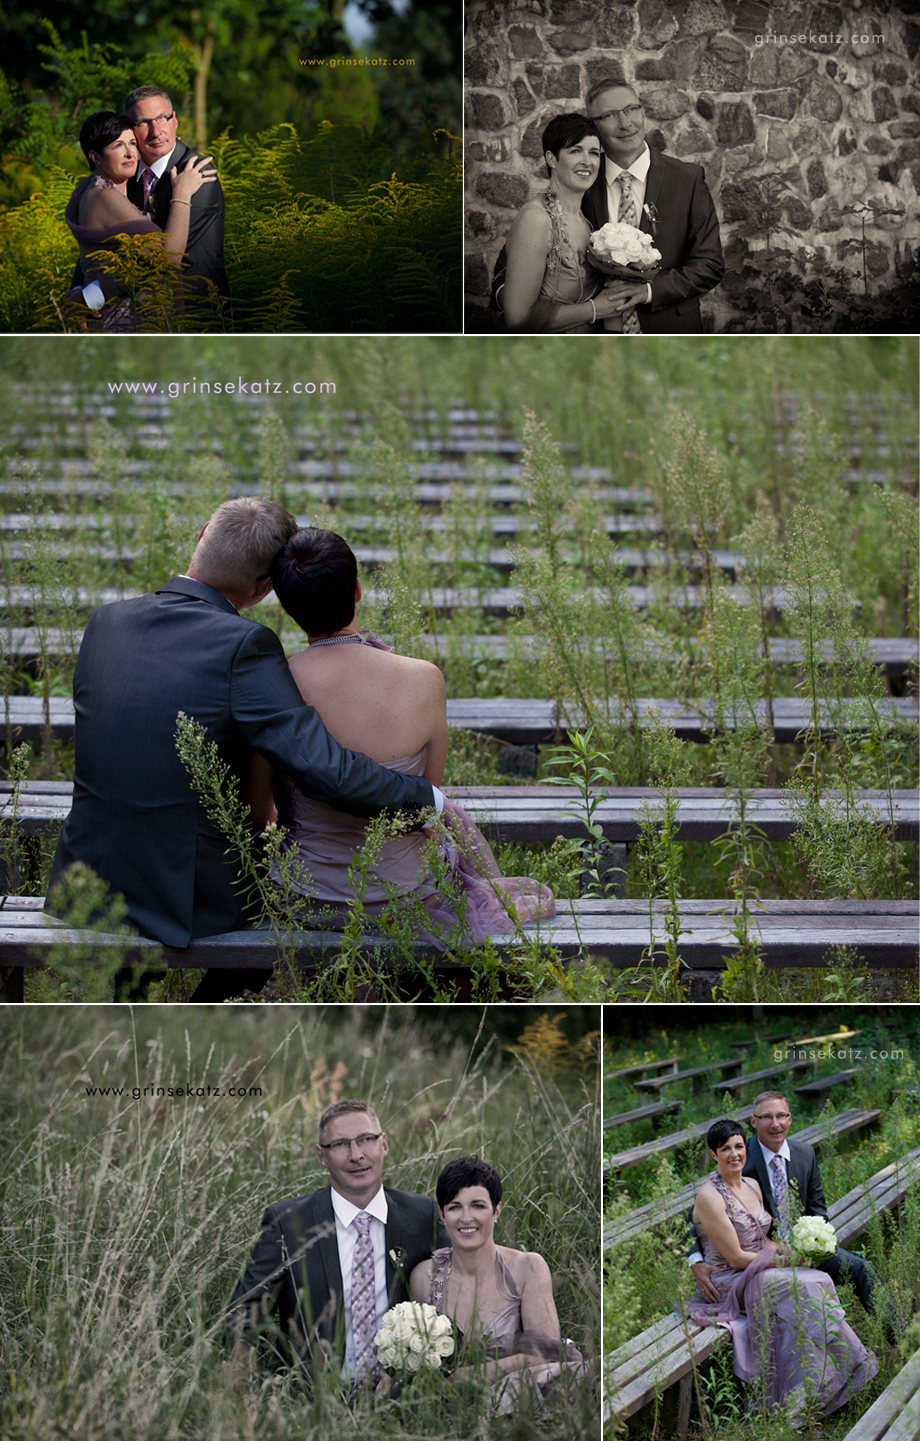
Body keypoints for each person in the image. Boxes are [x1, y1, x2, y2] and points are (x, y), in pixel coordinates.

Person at [47, 499, 446, 1003]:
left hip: (90, 870)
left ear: (200, 535)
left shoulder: (106, 622)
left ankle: (134, 1005)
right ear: (264, 589)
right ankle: (191, 1022)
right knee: (279, 903)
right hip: (180, 888)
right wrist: (429, 800)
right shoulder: (244, 645)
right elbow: (328, 771)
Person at [250, 527, 555, 943]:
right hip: (404, 895)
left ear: (286, 607)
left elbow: (258, 809)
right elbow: (423, 796)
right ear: (357, 591)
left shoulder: (276, 685)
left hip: (306, 895)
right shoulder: (424, 678)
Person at [228, 1100, 445, 1381]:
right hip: (313, 1399)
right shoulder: (288, 1223)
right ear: (321, 1156)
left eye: (366, 1140)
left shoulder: (421, 1214)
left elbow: (463, 1284)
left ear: (384, 1145)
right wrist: (261, 1384)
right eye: (341, 1144)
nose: (356, 1155)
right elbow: (244, 1313)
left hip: (404, 1395)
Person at [685, 1118, 877, 1428]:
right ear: (713, 1154)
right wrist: (787, 1262)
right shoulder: (709, 1196)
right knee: (801, 1287)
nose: (734, 1154)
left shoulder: (752, 1184)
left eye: (738, 1147)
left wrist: (787, 1252)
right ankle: (807, 1391)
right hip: (732, 1277)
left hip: (760, 1266)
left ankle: (828, 1374)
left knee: (818, 1278)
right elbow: (734, 1257)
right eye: (725, 1149)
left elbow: (763, 1240)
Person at [690, 1091, 890, 1331]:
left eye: (781, 1116)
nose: (775, 1124)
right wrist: (695, 1261)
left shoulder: (805, 1154)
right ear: (753, 1122)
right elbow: (697, 1218)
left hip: (802, 1249)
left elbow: (818, 1211)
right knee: (804, 1291)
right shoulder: (739, 1159)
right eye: (766, 1117)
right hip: (761, 1257)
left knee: (861, 1268)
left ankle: (902, 1341)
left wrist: (815, 1244)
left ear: (790, 1119)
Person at [408, 1158, 584, 1413]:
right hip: (449, 1407)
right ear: (442, 1213)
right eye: (455, 1207)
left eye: (478, 1206)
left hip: (526, 1396)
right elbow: (417, 1359)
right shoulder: (423, 1276)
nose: (466, 1218)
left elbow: (548, 1353)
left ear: (497, 1210)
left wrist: (468, 1377)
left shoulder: (527, 1267)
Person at [72, 86, 231, 329]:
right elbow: (100, 244)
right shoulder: (124, 175)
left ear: (175, 120)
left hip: (195, 314)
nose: (156, 132)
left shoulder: (196, 176)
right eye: (144, 123)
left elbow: (164, 259)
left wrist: (89, 297)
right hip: (143, 317)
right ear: (130, 128)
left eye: (162, 118)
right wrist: (77, 289)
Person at [582, 80, 724, 334]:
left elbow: (709, 265)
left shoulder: (687, 179)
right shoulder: (582, 181)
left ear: (643, 112)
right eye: (610, 115)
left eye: (631, 109)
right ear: (593, 126)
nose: (625, 123)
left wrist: (648, 290)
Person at [496, 114, 627, 334]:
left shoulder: (585, 219)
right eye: (575, 150)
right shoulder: (537, 219)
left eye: (594, 153)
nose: (587, 161)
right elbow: (517, 318)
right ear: (551, 159)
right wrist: (596, 309)